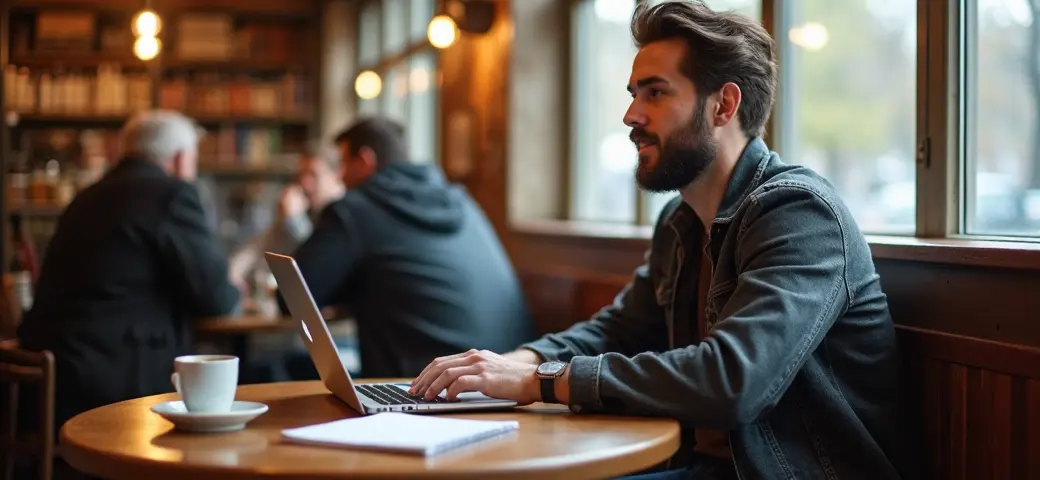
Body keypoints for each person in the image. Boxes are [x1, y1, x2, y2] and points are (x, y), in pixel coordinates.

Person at [409, 2, 917, 479]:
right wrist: (514, 362)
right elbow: (619, 331)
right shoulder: (681, 220)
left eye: (655, 92)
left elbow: (733, 380)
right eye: (633, 94)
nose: (631, 116)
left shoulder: (800, 214)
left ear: (724, 106)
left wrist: (541, 381)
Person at [17, 110, 240, 431]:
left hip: (52, 372)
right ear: (179, 159)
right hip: (114, 379)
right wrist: (231, 285)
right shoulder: (172, 195)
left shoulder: (88, 196)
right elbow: (217, 298)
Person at [279, 117, 534, 378]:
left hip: (425, 384)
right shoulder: (461, 201)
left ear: (366, 161)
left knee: (285, 367)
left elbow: (293, 297)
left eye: (344, 163)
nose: (341, 176)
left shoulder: (355, 208)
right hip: (507, 376)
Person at [227, 145, 345, 296]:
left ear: (337, 175)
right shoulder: (306, 210)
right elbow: (258, 247)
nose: (305, 183)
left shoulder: (342, 214)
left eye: (313, 175)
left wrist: (294, 221)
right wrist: (231, 275)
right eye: (301, 175)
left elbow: (317, 260)